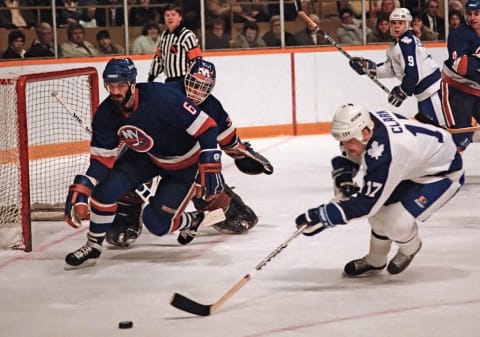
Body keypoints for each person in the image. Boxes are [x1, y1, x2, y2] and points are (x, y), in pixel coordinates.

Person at [64, 58, 226, 269]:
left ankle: (193, 220)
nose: (115, 91)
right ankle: (93, 245)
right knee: (104, 192)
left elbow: (207, 127)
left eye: (120, 85)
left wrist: (210, 162)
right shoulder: (106, 114)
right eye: (110, 86)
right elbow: (102, 161)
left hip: (183, 165)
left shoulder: (163, 98)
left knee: (157, 224)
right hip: (148, 157)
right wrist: (86, 183)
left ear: (132, 83)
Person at [105, 58, 273, 247]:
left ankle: (213, 201)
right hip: (149, 152)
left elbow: (227, 138)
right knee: (125, 167)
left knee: (205, 178)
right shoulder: (166, 93)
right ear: (186, 78)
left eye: (203, 87)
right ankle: (128, 208)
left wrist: (241, 153)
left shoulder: (212, 107)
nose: (197, 91)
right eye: (194, 84)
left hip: (185, 162)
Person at [295, 103, 464, 276]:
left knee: (396, 222)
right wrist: (344, 178)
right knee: (379, 215)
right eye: (342, 141)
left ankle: (410, 248)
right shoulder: (366, 125)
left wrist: (324, 216)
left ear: (365, 133)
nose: (345, 146)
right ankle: (376, 260)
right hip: (413, 166)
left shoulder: (386, 154)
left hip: (442, 174)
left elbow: (367, 204)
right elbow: (352, 155)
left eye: (349, 141)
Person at [349, 8, 445, 126]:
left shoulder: (407, 43)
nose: (396, 26)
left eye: (400, 23)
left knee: (440, 129)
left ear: (408, 24)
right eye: (393, 23)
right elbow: (392, 69)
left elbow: (412, 74)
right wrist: (369, 67)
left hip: (433, 92)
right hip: (425, 93)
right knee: (433, 129)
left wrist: (402, 92)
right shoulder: (396, 46)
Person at [441, 0, 480, 151]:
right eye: (469, 14)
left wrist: (473, 57)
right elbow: (462, 68)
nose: (472, 18)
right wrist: (477, 57)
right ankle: (448, 171)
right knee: (462, 138)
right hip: (458, 89)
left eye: (477, 14)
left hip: (477, 89)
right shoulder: (458, 35)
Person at [148, 3, 201, 83]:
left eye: (173, 14)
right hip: (169, 81)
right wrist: (151, 77)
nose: (170, 18)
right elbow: (159, 59)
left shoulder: (187, 36)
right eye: (167, 15)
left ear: (180, 17)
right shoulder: (164, 36)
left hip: (184, 81)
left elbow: (197, 60)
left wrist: (195, 80)